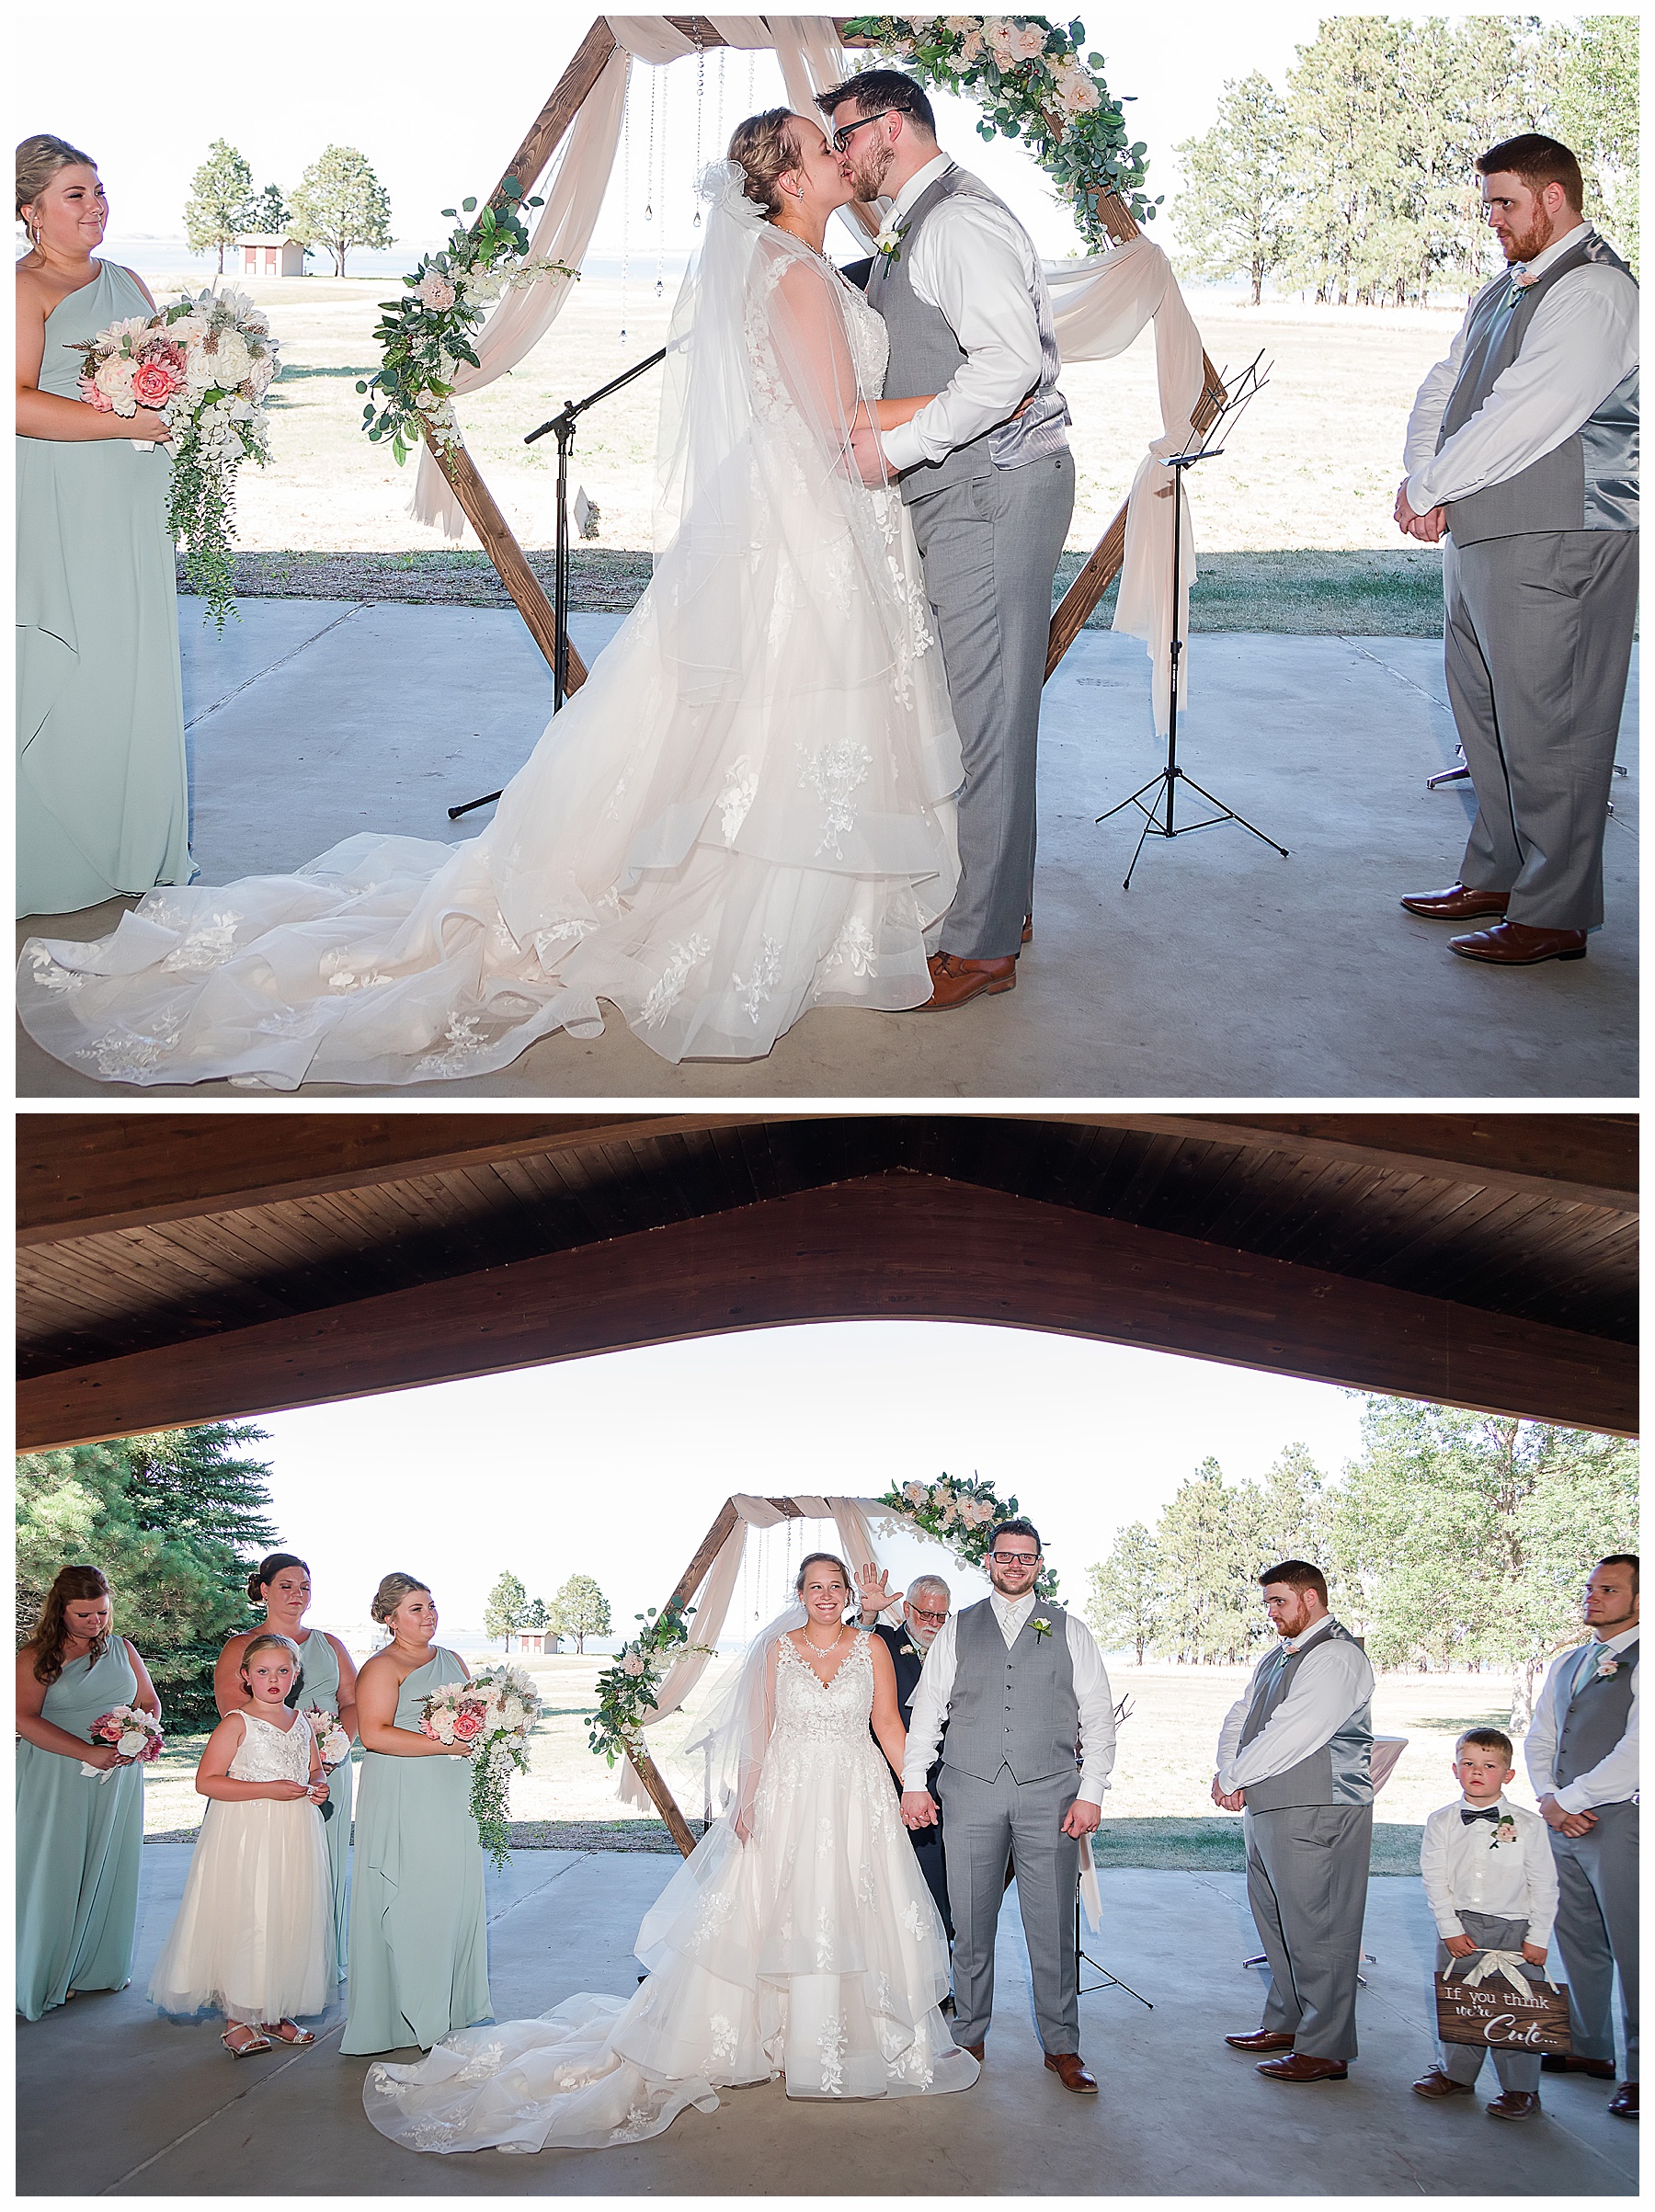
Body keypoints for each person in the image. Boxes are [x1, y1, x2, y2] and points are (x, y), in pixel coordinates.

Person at [17, 112, 963, 1084]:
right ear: (791, 182)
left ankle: (822, 913)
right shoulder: (798, 275)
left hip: (815, 509)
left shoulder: (793, 264)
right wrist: (975, 399)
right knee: (780, 715)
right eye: (823, 146)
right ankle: (766, 914)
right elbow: (834, 422)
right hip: (803, 516)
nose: (844, 156)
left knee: (780, 720)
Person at [362, 1551, 976, 2154]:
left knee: (847, 1909)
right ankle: (769, 2035)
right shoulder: (778, 1651)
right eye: (814, 1585)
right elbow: (759, 1734)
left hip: (855, 1795)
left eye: (835, 1585)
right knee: (774, 1913)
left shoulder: (870, 1650)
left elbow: (890, 1725)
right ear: (800, 1593)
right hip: (788, 1795)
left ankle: (836, 2041)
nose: (826, 1595)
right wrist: (747, 1801)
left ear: (846, 1593)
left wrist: (914, 1787)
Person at [823, 71, 1076, 1012]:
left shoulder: (959, 222)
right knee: (980, 711)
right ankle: (1000, 909)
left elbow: (1008, 372)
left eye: (846, 135)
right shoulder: (920, 219)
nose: (841, 155)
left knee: (991, 721)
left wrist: (891, 449)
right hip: (970, 488)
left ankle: (980, 948)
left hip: (994, 491)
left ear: (892, 125)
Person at [1395, 132, 1638, 968]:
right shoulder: (1500, 290)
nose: (1492, 219)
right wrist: (1421, 477)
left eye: (1505, 202)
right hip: (1490, 529)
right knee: (1487, 713)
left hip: (1563, 533)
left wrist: (1434, 490)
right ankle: (1501, 873)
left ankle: (1556, 910)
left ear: (1554, 198)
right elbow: (1448, 384)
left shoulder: (1595, 287)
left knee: (1554, 726)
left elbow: (1530, 410)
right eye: (1488, 204)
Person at [16, 134, 191, 921]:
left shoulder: (127, 280)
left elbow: (171, 373)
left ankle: (132, 843)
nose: (95, 207)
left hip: (134, 495)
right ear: (32, 213)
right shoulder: (23, 291)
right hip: (63, 493)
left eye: (99, 191)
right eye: (75, 195)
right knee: (74, 654)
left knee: (132, 657)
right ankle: (50, 849)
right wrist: (122, 416)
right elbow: (12, 400)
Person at [900, 1519, 1113, 2092]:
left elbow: (1096, 1714)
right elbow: (927, 1711)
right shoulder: (958, 1629)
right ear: (988, 1562)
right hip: (969, 1789)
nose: (1015, 1565)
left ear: (1040, 1563)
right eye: (1005, 1556)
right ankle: (968, 2034)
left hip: (1052, 1793)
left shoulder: (1071, 1630)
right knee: (970, 1923)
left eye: (1027, 1557)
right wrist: (915, 1782)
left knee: (1051, 1924)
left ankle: (1062, 2045)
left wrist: (1091, 1791)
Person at [1214, 1559, 1375, 2084]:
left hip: (1318, 1808)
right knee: (1278, 1920)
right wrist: (1227, 1770)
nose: (1271, 1612)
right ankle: (1289, 2022)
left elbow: (1294, 1730)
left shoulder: (1337, 1656)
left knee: (1319, 1927)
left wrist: (1237, 1775)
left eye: (1278, 1601)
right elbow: (1241, 1713)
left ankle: (1326, 2046)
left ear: (1310, 1598)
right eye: (1267, 1603)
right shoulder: (1276, 1657)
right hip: (1273, 1805)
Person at [149, 1632, 334, 2056]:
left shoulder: (301, 1721)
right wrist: (267, 1788)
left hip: (294, 1832)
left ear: (296, 1675)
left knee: (286, 1912)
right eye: (264, 1671)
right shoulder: (236, 1722)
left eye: (283, 1671)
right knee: (250, 1912)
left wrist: (319, 1787)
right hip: (248, 1830)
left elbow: (315, 1770)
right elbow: (207, 1781)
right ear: (247, 1677)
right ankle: (238, 2015)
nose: (274, 1679)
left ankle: (272, 2006)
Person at [343, 1574, 490, 2056]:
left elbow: (476, 1713)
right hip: (404, 1788)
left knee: (450, 1893)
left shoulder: (451, 1659)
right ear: (390, 1619)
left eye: (430, 1606)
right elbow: (375, 1734)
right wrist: (443, 1743)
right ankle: (408, 2015)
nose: (428, 1615)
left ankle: (452, 2009)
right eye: (415, 1609)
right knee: (413, 1895)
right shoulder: (381, 1668)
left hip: (449, 1789)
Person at [16, 1564, 161, 2021]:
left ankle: (92, 1968)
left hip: (117, 1775)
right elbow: (21, 1718)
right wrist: (87, 1750)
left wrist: (135, 1733)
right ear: (60, 1611)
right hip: (57, 1775)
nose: (95, 1622)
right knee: (53, 1871)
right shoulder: (36, 1658)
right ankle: (44, 1971)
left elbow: (148, 1701)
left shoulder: (123, 1649)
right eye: (84, 1615)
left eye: (101, 1612)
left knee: (107, 1866)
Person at [1524, 1553, 1638, 2121]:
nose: (1593, 1598)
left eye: (1610, 1590)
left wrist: (1569, 1801)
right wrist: (1549, 1800)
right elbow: (1541, 1735)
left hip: (1624, 1821)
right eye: (1591, 1588)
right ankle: (1591, 2049)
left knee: (1636, 1948)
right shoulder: (1569, 1662)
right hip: (1563, 1820)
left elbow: (1638, 1753)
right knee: (1579, 1938)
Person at [216, 1551, 358, 1981]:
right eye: (286, 1586)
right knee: (259, 1880)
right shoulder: (241, 1646)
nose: (297, 1595)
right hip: (263, 1775)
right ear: (263, 1590)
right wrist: (290, 1760)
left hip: (327, 1770)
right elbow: (232, 1713)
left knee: (322, 1869)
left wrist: (334, 1748)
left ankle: (313, 1969)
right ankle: (252, 1976)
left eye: (305, 1587)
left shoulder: (330, 1644)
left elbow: (352, 1702)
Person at [1411, 1727, 1558, 2119]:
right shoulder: (1441, 1821)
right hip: (1461, 1928)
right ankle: (1457, 2074)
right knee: (1462, 2001)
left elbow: (1545, 1883)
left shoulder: (1528, 1825)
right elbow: (1434, 1877)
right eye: (1468, 1764)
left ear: (1507, 1775)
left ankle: (1521, 2089)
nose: (1478, 1772)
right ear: (1455, 1770)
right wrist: (1449, 1927)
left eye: (1489, 1765)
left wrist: (1539, 1937)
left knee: (1516, 2005)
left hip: (1516, 1929)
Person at [857, 1562, 953, 1940]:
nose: (933, 1622)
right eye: (926, 1613)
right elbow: (852, 1647)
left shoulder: (955, 1649)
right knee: (889, 1878)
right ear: (908, 1609)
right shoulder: (881, 1641)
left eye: (941, 1615)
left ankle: (941, 1968)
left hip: (945, 1783)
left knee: (940, 1882)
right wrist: (867, 1613)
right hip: (890, 1778)